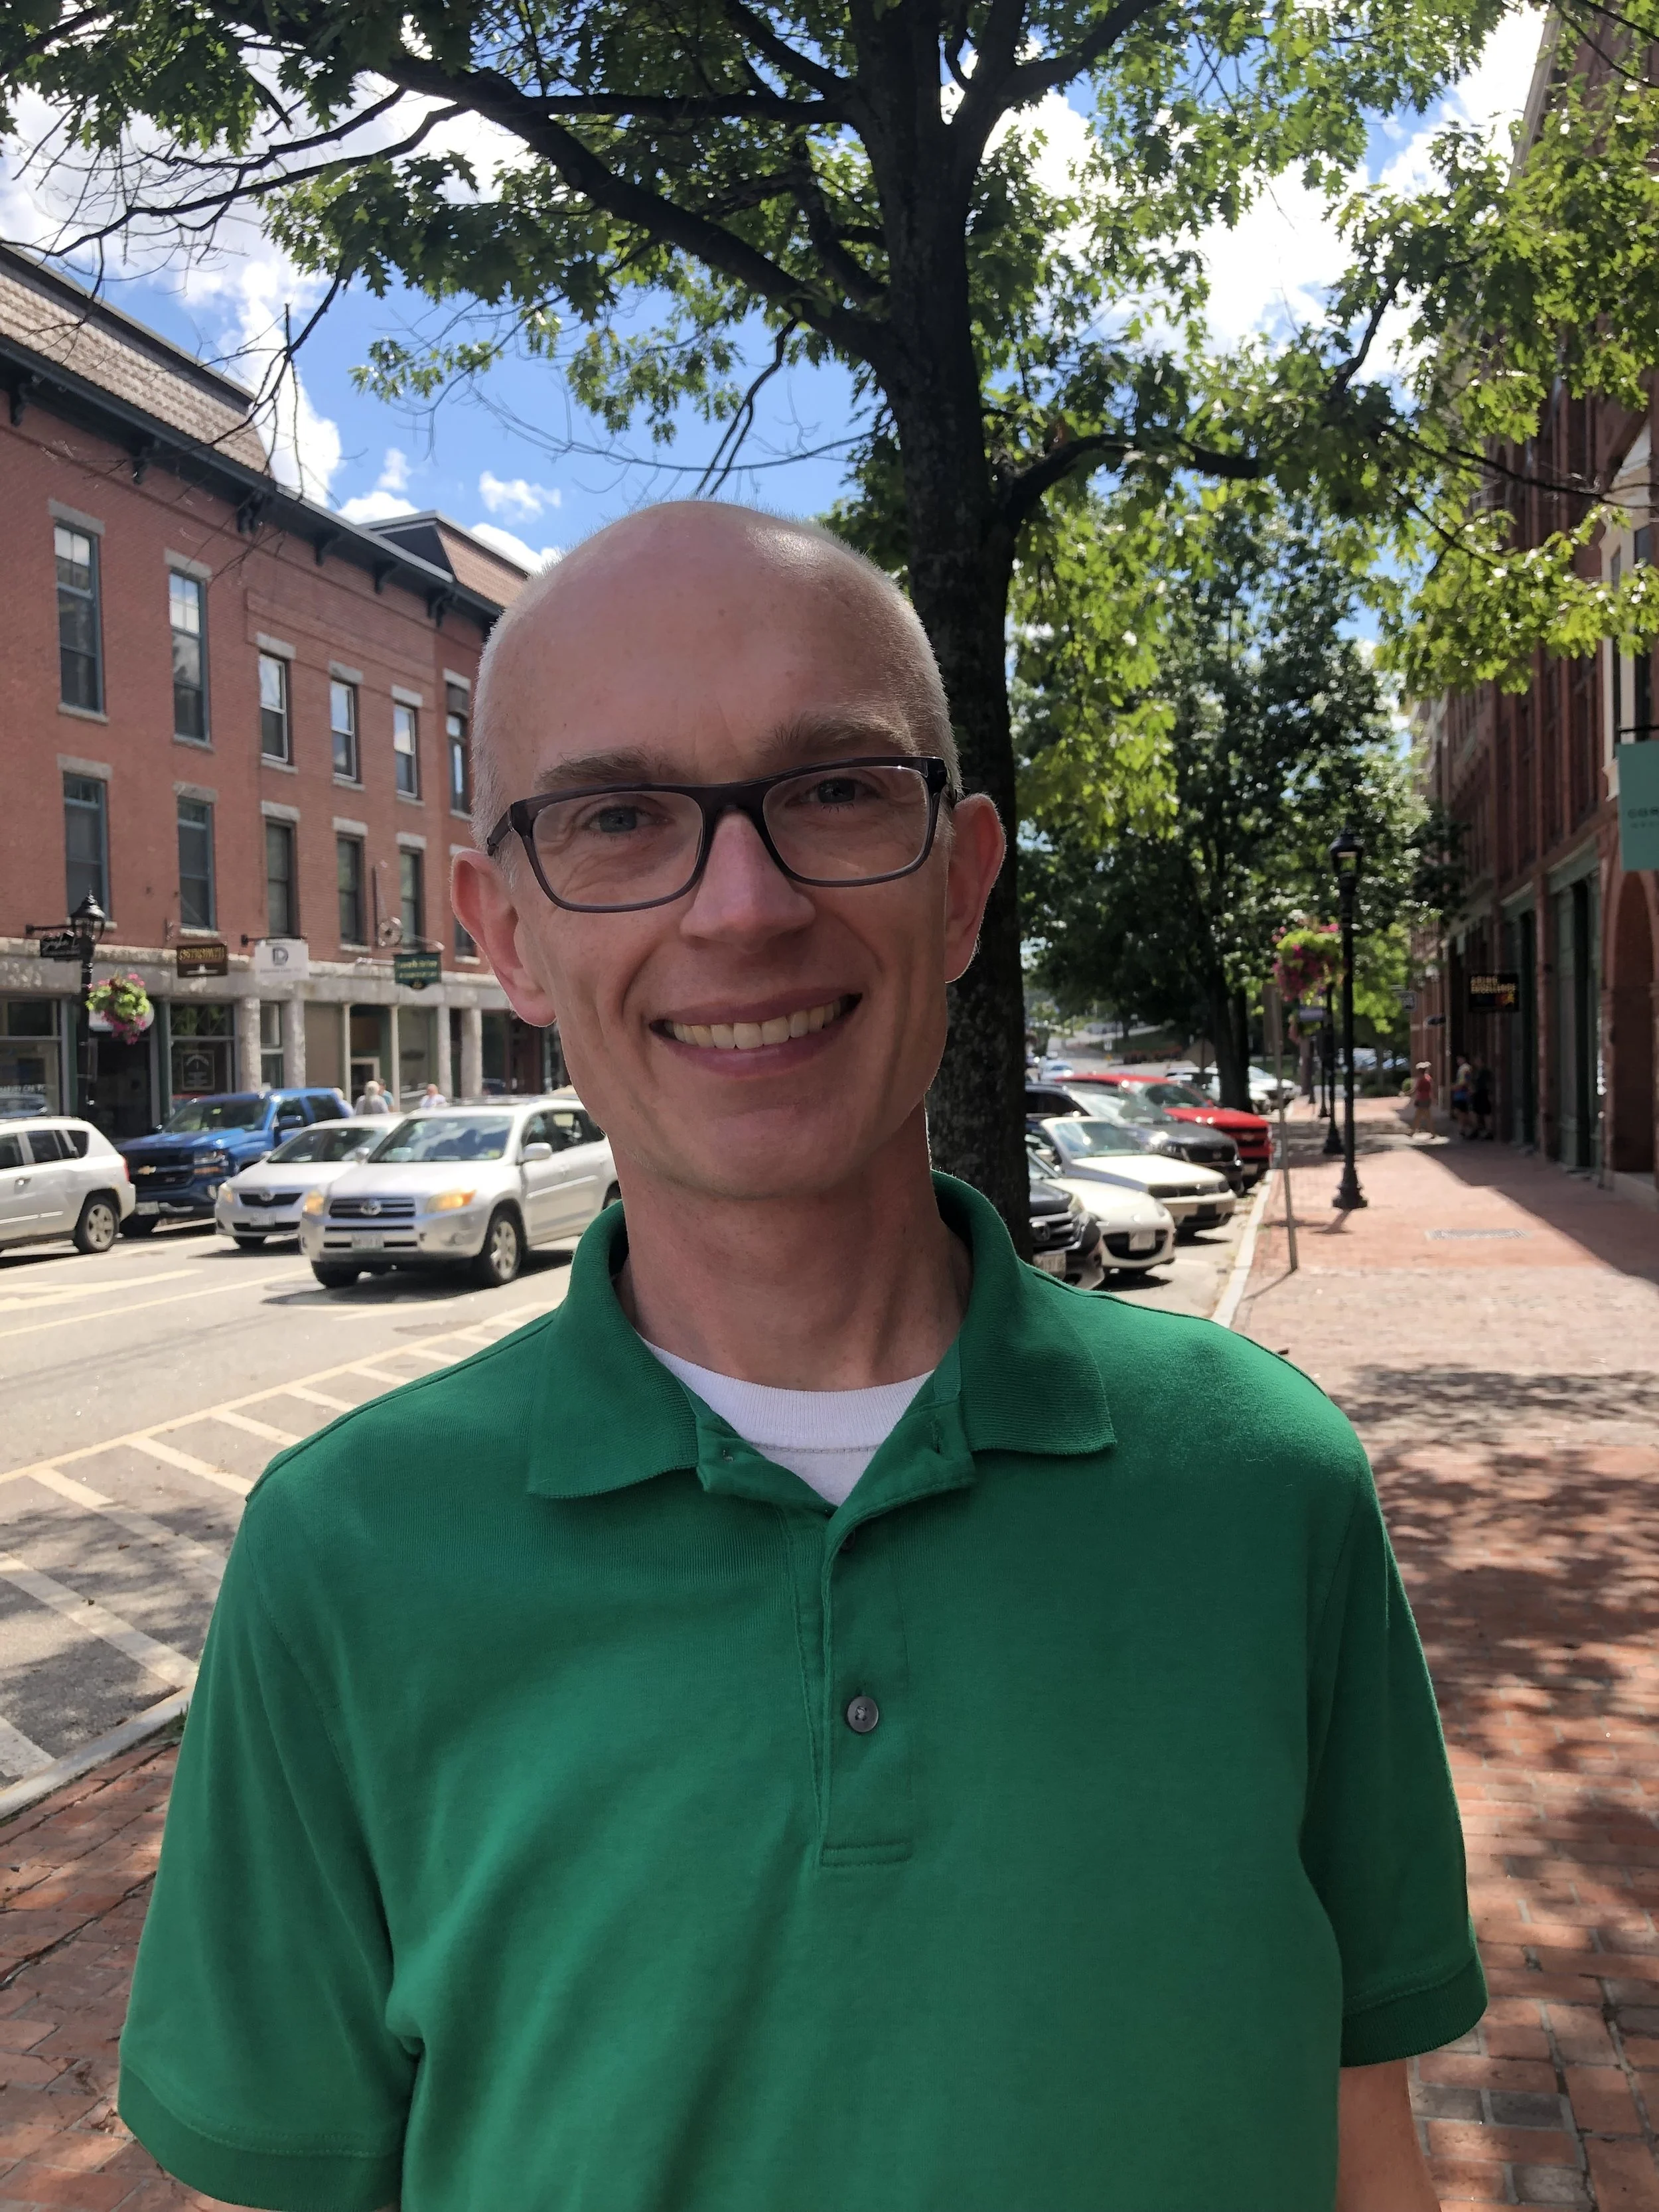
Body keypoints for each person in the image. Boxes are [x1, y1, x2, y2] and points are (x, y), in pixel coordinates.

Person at [119, 503, 1481, 2212]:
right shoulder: (343, 1557)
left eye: (835, 790)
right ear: (506, 932)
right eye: (619, 818)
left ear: (968, 875)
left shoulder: (1267, 1485)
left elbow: (1369, 2141)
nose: (742, 906)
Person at [1411, 1060, 1435, 1138]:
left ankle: (1414, 1131)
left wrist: (1406, 1094)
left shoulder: (1421, 1079)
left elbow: (1415, 1090)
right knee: (1422, 1116)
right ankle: (1414, 1131)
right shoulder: (1428, 1078)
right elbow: (1432, 1089)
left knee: (1421, 1116)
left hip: (1421, 1098)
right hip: (1427, 1098)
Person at [1472, 1062, 1494, 1140]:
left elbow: (1489, 1084)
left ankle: (1488, 1131)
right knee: (1477, 1112)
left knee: (1486, 1113)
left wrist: (1490, 1094)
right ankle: (1477, 1129)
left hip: (1483, 1094)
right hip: (1479, 1095)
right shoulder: (1477, 1072)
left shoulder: (1484, 1072)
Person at [1451, 1059, 1473, 1138]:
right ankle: (1464, 1128)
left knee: (1462, 1112)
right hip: (1460, 1094)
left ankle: (1467, 1128)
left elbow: (1465, 1082)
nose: (1458, 1061)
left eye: (1459, 1059)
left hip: (1462, 1095)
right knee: (1461, 1112)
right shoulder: (1462, 1068)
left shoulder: (1465, 1068)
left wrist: (1456, 1087)